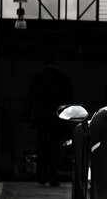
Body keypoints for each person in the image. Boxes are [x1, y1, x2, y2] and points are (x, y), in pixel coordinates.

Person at [25, 54, 73, 186]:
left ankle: (41, 175)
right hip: (56, 119)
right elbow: (69, 101)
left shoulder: (37, 79)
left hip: (41, 117)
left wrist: (27, 117)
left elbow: (31, 100)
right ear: (56, 62)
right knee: (54, 147)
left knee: (41, 145)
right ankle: (53, 176)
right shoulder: (63, 80)